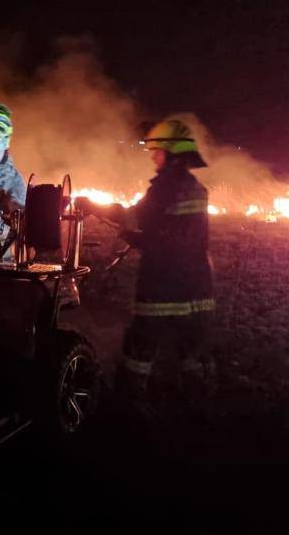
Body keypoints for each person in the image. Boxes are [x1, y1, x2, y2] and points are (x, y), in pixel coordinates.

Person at [76, 119, 214, 404]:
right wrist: (139, 239)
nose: (153, 156)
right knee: (191, 355)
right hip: (197, 290)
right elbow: (176, 237)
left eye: (158, 151)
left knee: (138, 353)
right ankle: (196, 414)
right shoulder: (197, 189)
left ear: (173, 154)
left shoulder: (164, 189)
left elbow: (132, 216)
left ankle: (129, 412)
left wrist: (91, 206)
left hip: (163, 289)